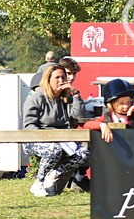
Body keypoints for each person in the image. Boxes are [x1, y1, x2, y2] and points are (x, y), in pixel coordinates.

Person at [23, 65, 89, 197]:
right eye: (57, 78)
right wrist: (49, 138)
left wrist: (75, 95)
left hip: (63, 140)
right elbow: (29, 126)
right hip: (36, 140)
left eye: (63, 77)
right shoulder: (37, 98)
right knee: (54, 150)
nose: (61, 81)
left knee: (83, 153)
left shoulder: (66, 99)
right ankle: (39, 182)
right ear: (48, 80)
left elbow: (80, 116)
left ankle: (53, 175)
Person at [81, 78, 134, 142]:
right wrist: (102, 125)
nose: (126, 106)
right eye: (121, 103)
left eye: (128, 102)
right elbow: (86, 125)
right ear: (110, 104)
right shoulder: (106, 118)